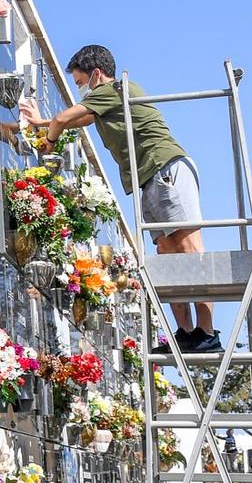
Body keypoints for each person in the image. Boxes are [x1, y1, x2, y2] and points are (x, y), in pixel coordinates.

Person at [20, 45, 218, 352]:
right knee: (166, 250)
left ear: (97, 74)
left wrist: (48, 139)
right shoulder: (105, 101)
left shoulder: (116, 88)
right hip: (149, 178)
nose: (82, 91)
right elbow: (74, 121)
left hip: (166, 168)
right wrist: (40, 122)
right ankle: (186, 332)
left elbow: (63, 120)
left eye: (81, 83)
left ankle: (207, 332)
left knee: (190, 249)